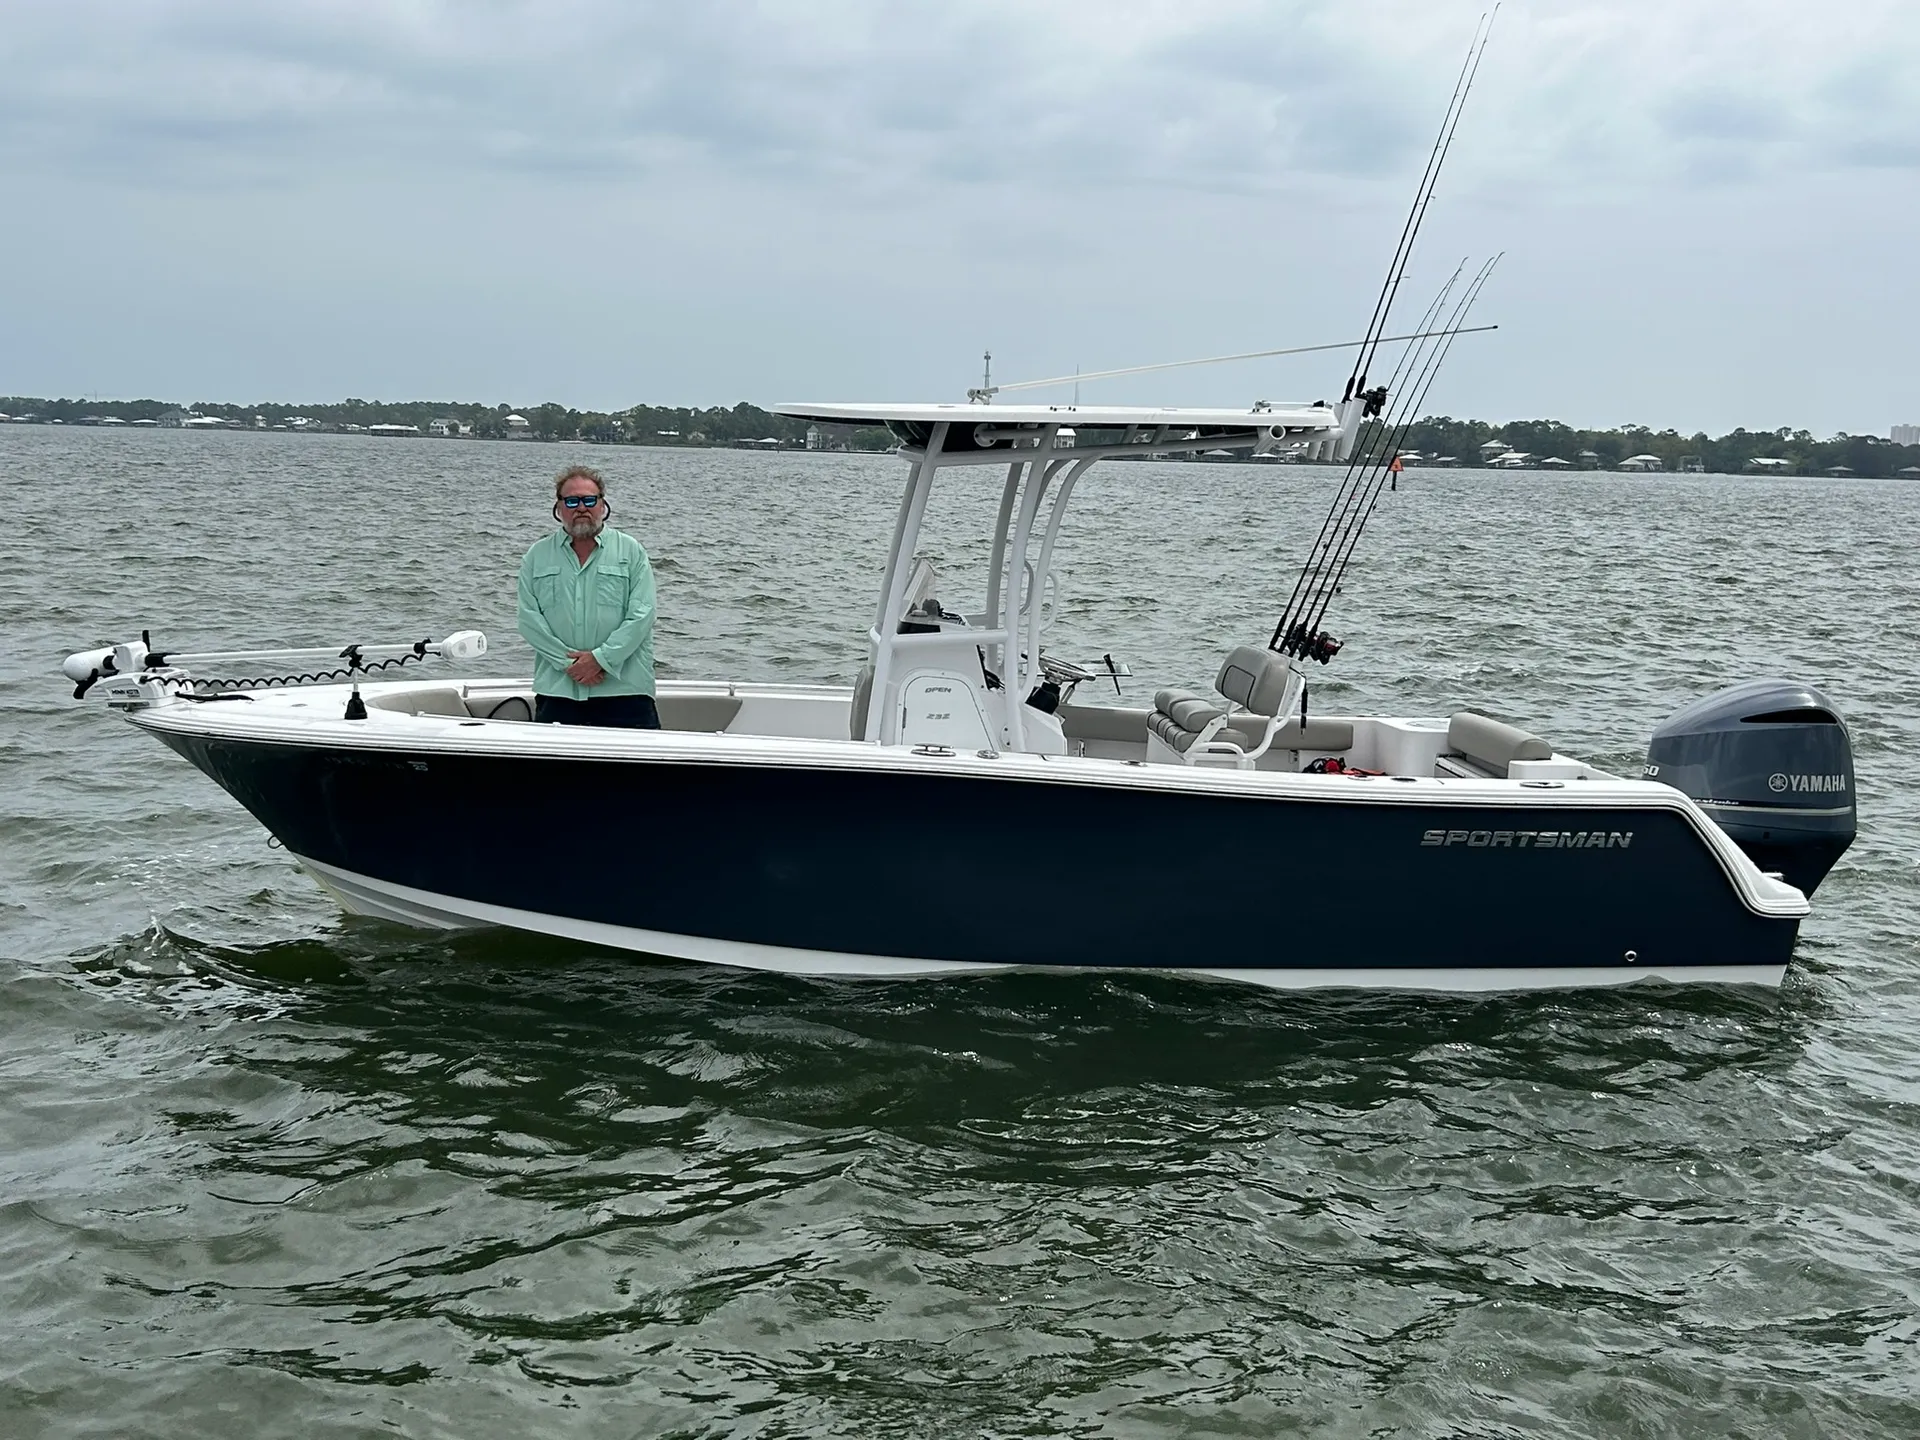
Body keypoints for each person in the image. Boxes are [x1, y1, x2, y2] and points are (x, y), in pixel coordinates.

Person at [516, 464, 660, 728]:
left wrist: (600, 660)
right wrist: (570, 665)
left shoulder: (631, 551)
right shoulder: (536, 556)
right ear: (559, 508)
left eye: (589, 500)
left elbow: (643, 614)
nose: (581, 507)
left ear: (602, 504)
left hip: (626, 693)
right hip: (558, 691)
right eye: (571, 500)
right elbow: (528, 620)